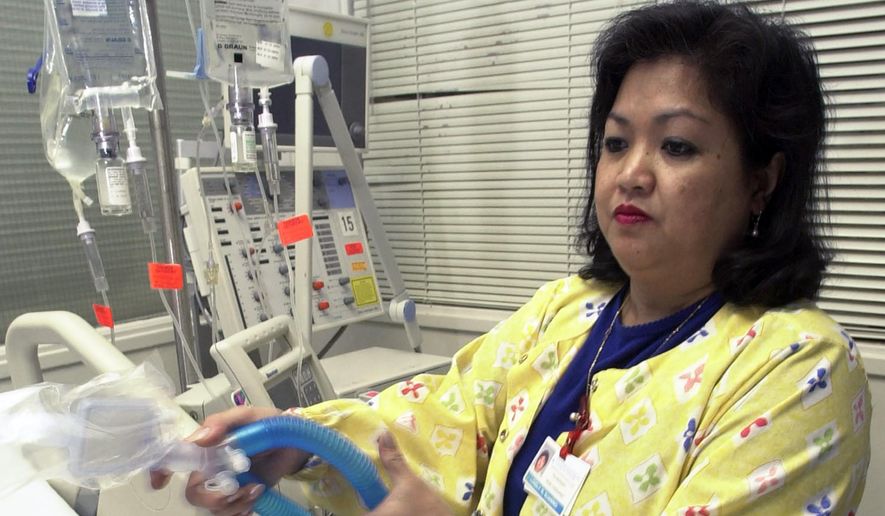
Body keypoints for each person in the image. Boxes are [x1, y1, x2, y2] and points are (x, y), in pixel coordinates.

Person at [153, 2, 871, 514]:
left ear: (759, 180)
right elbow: (443, 415)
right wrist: (297, 444)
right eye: (616, 142)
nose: (630, 173)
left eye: (676, 145)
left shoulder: (795, 366)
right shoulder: (569, 310)